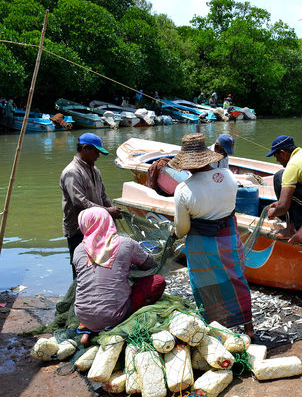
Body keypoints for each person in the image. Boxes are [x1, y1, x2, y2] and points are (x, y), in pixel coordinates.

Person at [171, 133, 253, 337]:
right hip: (228, 234)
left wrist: (174, 233)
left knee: (206, 283)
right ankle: (248, 328)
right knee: (235, 277)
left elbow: (182, 229)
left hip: (201, 242)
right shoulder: (229, 177)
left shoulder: (183, 190)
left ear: (187, 164)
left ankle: (215, 328)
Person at [73, 207, 165, 345]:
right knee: (158, 281)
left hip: (82, 315)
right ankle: (109, 326)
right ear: (108, 221)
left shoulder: (78, 249)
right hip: (113, 316)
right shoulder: (126, 243)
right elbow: (149, 264)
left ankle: (87, 329)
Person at [60, 133, 121, 278]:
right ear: (86, 148)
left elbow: (103, 195)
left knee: (98, 265)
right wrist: (108, 211)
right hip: (78, 229)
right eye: (96, 152)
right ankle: (78, 298)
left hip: (97, 227)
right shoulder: (72, 172)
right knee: (80, 268)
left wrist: (111, 210)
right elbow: (80, 202)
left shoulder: (95, 170)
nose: (98, 156)